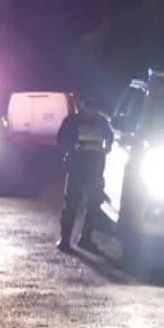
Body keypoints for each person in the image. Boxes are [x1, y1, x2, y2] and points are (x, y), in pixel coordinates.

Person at [54, 95, 112, 251]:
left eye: (94, 106)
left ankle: (85, 239)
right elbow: (60, 140)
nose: (91, 109)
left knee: (94, 204)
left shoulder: (102, 121)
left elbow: (110, 137)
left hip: (95, 169)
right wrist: (72, 147)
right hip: (77, 168)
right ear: (83, 105)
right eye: (88, 105)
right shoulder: (72, 120)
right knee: (71, 204)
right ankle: (65, 240)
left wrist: (108, 146)